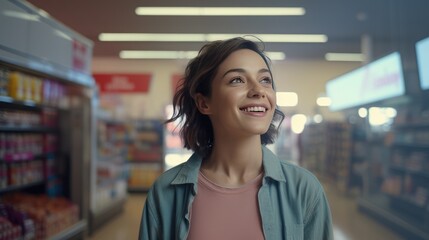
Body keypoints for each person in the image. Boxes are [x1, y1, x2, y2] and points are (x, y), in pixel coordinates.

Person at [139, 37, 333, 240]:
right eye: (237, 80)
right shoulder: (165, 193)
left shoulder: (304, 190)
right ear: (204, 103)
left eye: (265, 80)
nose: (258, 90)